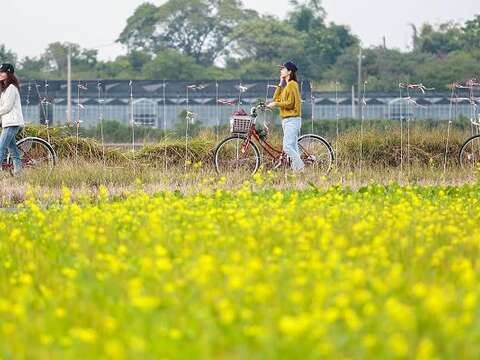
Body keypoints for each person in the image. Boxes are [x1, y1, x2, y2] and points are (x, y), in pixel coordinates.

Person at [267, 61, 305, 172]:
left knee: (287, 147)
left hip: (292, 120)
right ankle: (297, 171)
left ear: (289, 71)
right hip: (287, 120)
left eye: (283, 69)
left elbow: (290, 103)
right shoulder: (287, 86)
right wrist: (280, 83)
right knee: (292, 147)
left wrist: (276, 104)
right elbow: (275, 99)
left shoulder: (292, 84)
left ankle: (301, 167)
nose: (281, 70)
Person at [0, 63, 24, 176]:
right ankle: (18, 174)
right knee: (13, 151)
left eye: (2, 72)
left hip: (12, 123)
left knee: (1, 148)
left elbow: (7, 107)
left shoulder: (11, 88)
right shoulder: (5, 90)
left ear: (9, 73)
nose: (0, 74)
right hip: (7, 123)